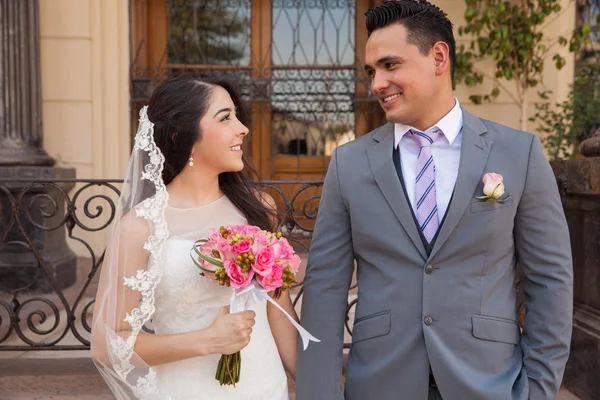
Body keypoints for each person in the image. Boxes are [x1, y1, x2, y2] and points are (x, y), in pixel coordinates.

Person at [296, 1, 573, 399]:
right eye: (371, 72)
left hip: (489, 384)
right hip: (380, 384)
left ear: (438, 57)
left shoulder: (519, 153)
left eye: (390, 65)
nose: (376, 83)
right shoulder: (349, 163)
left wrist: (539, 389)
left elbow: (550, 281)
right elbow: (324, 289)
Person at [91, 76, 298, 399]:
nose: (242, 128)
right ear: (180, 134)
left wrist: (319, 387)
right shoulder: (139, 227)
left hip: (265, 386)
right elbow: (107, 346)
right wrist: (206, 340)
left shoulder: (260, 209)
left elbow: (278, 313)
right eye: (225, 117)